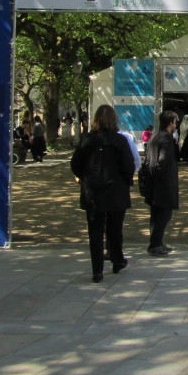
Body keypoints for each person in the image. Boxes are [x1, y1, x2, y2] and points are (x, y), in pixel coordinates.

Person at [70, 105, 136, 282]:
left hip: (93, 191)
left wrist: (85, 177)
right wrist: (124, 180)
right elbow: (129, 166)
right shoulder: (119, 141)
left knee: (95, 231)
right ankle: (116, 260)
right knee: (115, 229)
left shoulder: (88, 140)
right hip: (115, 191)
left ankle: (97, 270)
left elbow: (75, 164)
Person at [145, 110, 180, 257]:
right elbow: (162, 161)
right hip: (163, 184)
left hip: (154, 184)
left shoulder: (155, 136)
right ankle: (155, 244)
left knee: (156, 215)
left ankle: (156, 242)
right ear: (171, 123)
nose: (176, 124)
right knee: (163, 215)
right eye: (175, 121)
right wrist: (158, 174)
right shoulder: (166, 138)